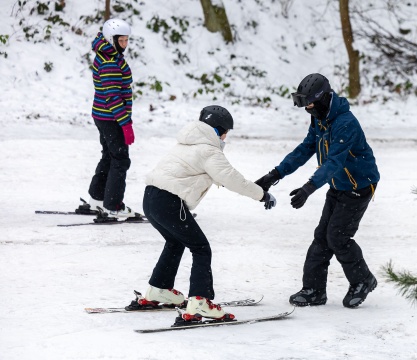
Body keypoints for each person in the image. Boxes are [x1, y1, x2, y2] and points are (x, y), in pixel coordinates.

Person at [138, 105, 277, 322]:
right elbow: (232, 179)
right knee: (201, 248)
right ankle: (199, 303)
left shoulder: (185, 142)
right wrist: (261, 195)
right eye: (225, 133)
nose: (225, 138)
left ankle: (159, 289)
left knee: (175, 242)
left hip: (150, 198)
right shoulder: (208, 150)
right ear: (219, 130)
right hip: (169, 202)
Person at [255, 73, 380, 308]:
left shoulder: (345, 123)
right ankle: (313, 290)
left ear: (323, 98)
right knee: (322, 237)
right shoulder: (320, 118)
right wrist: (274, 175)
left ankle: (363, 280)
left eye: (309, 103)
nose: (307, 109)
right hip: (338, 184)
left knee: (338, 237)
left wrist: (308, 188)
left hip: (359, 185)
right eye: (304, 104)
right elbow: (304, 150)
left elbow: (334, 162)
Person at [83, 19, 136, 217]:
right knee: (120, 159)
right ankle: (113, 206)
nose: (125, 44)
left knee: (109, 155)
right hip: (111, 117)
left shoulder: (108, 55)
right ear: (110, 40)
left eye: (126, 40)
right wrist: (125, 125)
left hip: (103, 115)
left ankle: (97, 198)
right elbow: (113, 98)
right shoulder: (110, 62)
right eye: (121, 40)